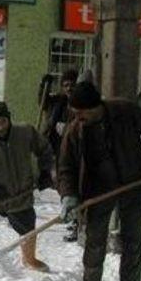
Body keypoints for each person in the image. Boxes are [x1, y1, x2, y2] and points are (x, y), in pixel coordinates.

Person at [57, 81, 141, 281]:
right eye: (74, 112)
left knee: (132, 236)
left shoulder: (125, 110)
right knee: (95, 237)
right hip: (97, 188)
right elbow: (66, 166)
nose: (77, 116)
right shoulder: (75, 130)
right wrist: (68, 195)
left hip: (133, 181)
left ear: (94, 107)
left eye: (81, 112)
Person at [0, 101, 54, 272]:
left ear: (9, 119)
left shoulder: (25, 133)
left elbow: (45, 149)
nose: (0, 127)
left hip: (20, 192)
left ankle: (29, 259)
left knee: (27, 226)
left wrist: (45, 171)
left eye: (3, 122)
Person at [41, 69, 79, 242]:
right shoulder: (58, 101)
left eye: (72, 84)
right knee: (60, 183)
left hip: (74, 151)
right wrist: (44, 86)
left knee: (70, 184)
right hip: (56, 148)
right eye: (65, 85)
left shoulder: (80, 102)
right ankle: (69, 211)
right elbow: (42, 103)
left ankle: (74, 219)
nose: (69, 88)